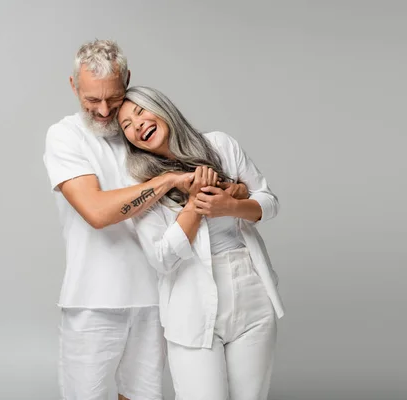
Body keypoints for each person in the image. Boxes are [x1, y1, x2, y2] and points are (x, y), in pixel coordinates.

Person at [43, 40, 249, 400]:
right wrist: (167, 181)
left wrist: (235, 191)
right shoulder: (65, 136)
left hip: (157, 297)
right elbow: (97, 212)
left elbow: (217, 185)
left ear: (128, 80)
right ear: (74, 86)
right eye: (92, 99)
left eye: (113, 97)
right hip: (93, 299)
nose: (104, 110)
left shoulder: (144, 133)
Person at [116, 86, 286, 400]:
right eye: (127, 125)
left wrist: (231, 206)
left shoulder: (220, 145)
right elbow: (161, 259)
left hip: (251, 289)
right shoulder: (140, 183)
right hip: (191, 301)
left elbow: (268, 201)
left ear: (162, 108)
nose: (138, 125)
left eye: (141, 112)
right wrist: (194, 205)